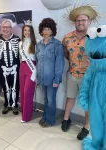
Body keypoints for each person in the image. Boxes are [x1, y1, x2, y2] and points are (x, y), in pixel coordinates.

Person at [61, 4, 99, 140]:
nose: (80, 22)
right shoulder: (67, 37)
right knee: (70, 97)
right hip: (72, 74)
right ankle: (66, 119)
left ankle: (86, 126)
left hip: (89, 77)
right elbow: (65, 53)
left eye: (83, 20)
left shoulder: (96, 38)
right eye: (78, 20)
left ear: (89, 21)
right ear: (75, 22)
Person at [36, 18, 64, 127]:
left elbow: (59, 63)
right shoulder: (38, 45)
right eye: (44, 29)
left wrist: (57, 79)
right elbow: (38, 62)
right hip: (42, 78)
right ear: (41, 31)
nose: (46, 31)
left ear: (52, 30)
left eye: (49, 29)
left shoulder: (57, 44)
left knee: (51, 100)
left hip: (53, 79)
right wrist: (38, 78)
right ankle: (45, 117)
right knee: (45, 99)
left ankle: (50, 120)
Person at [0, 19, 20, 115]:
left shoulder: (17, 39)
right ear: (1, 28)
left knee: (15, 87)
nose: (5, 29)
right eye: (4, 27)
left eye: (7, 27)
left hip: (15, 68)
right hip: (2, 69)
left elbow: (21, 55)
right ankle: (7, 104)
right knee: (5, 88)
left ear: (11, 28)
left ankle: (15, 105)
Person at [19, 23, 36, 123]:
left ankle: (26, 116)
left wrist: (35, 73)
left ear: (32, 32)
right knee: (22, 92)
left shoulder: (36, 43)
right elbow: (21, 58)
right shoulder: (20, 43)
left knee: (27, 92)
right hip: (23, 67)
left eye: (29, 30)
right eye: (25, 30)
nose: (27, 32)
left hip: (32, 68)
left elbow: (37, 59)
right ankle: (24, 111)